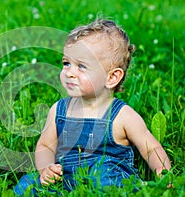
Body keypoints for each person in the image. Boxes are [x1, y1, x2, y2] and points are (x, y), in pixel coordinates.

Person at [14, 18, 171, 195]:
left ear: (111, 77)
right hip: (66, 177)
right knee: (26, 184)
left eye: (82, 66)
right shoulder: (59, 110)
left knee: (103, 176)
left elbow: (151, 148)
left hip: (106, 177)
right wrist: (46, 168)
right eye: (67, 63)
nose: (70, 73)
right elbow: (46, 145)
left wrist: (163, 173)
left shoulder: (122, 115)